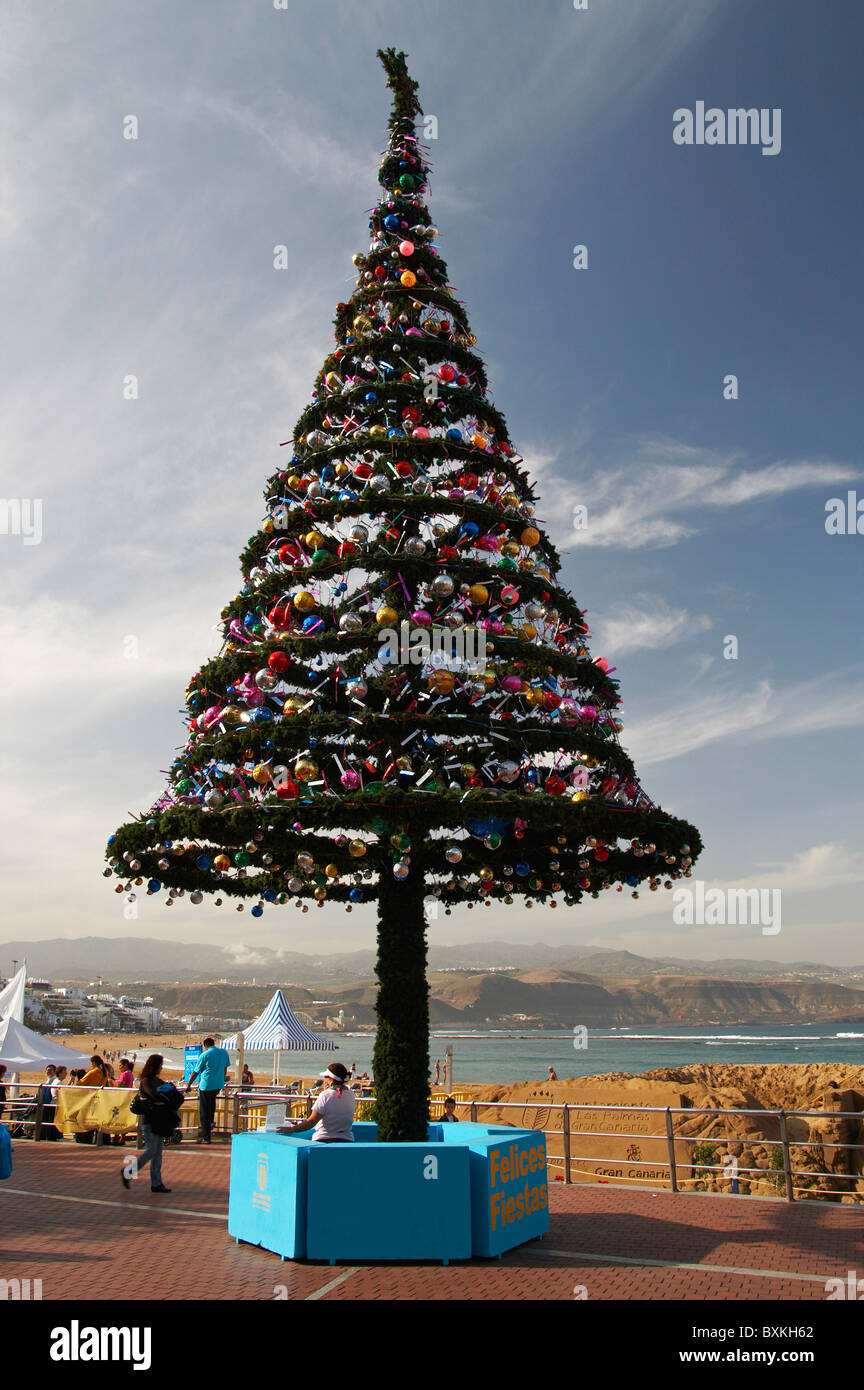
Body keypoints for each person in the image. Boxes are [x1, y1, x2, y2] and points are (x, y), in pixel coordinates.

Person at [121, 1054, 174, 1194]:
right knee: (151, 1151)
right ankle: (128, 1172)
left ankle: (156, 1183)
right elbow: (154, 1095)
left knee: (157, 1153)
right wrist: (161, 1098)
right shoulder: (146, 1081)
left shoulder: (157, 1081)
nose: (161, 1067)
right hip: (150, 1120)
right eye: (160, 1065)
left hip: (159, 1120)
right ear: (155, 1066)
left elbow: (166, 1094)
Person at [278, 1064, 355, 1143]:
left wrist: (292, 1129)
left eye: (326, 1077)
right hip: (347, 1139)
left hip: (324, 1139)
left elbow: (311, 1121)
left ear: (331, 1079)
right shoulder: (351, 1094)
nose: (324, 1080)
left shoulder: (325, 1095)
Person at [184, 1037, 230, 1144]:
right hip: (218, 1084)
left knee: (204, 1112)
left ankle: (206, 1137)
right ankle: (210, 1127)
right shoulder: (223, 1053)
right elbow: (225, 1069)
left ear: (205, 1046)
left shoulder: (204, 1055)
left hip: (206, 1085)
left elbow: (196, 1071)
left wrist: (189, 1084)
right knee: (211, 1108)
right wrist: (221, 1079)